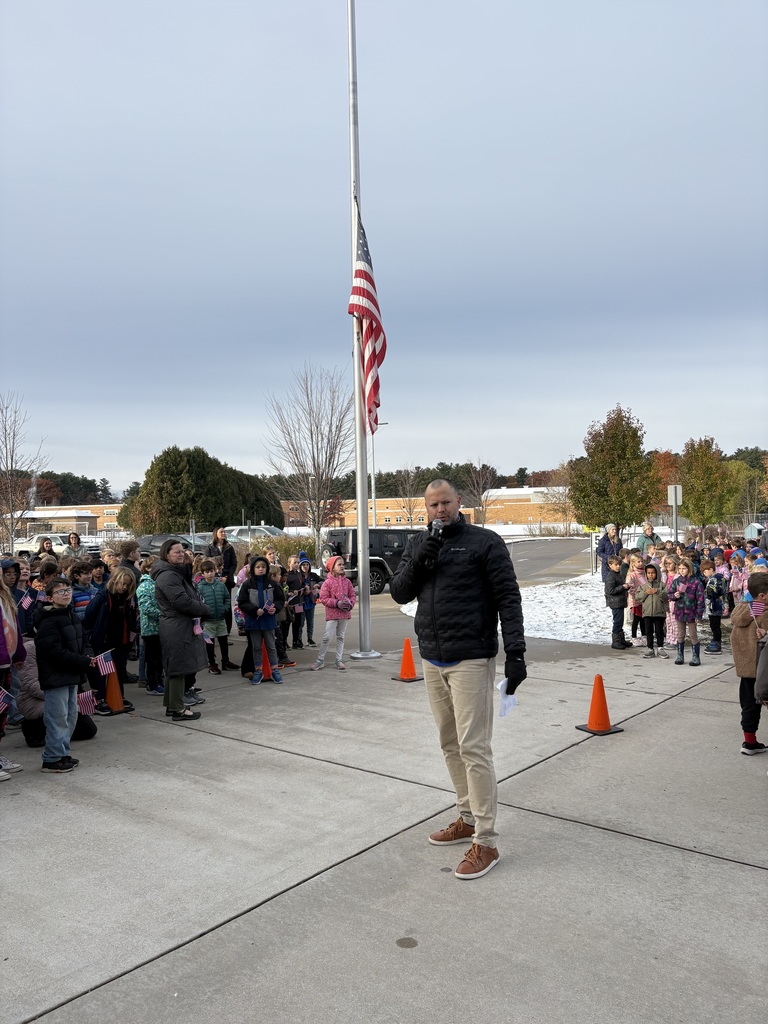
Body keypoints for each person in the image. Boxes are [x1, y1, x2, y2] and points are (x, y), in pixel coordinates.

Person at [390, 479, 526, 881]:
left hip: (470, 657)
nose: (440, 510)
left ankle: (486, 841)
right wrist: (420, 560)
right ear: (425, 508)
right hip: (431, 657)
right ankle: (466, 817)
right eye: (433, 505)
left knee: (474, 748)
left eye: (446, 502)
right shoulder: (419, 544)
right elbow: (399, 593)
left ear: (458, 502)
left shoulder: (484, 542)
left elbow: (508, 596)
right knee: (449, 743)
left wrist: (515, 652)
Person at [34, 576, 94, 773]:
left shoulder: (72, 615)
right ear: (50, 597)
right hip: (56, 677)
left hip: (72, 675)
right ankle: (52, 758)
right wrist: (81, 661)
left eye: (68, 590)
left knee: (70, 716)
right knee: (57, 718)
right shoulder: (48, 621)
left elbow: (83, 639)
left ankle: (62, 753)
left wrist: (87, 655)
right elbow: (52, 651)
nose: (66, 593)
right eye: (60, 591)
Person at [150, 540, 210, 721]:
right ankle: (177, 709)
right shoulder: (168, 576)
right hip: (176, 626)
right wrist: (203, 609)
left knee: (176, 666)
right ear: (166, 554)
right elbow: (181, 601)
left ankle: (172, 705)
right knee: (178, 667)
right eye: (176, 552)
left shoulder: (173, 573)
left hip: (178, 625)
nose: (181, 554)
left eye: (182, 551)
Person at [16, 640, 98, 748]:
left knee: (88, 730)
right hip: (34, 698)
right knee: (55, 714)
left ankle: (59, 731)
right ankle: (31, 727)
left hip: (61, 695)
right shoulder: (30, 649)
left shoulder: (64, 648)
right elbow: (31, 685)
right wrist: (60, 696)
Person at [83, 567, 139, 714]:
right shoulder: (103, 596)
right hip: (104, 639)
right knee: (101, 670)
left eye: (128, 584)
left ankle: (118, 695)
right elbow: (89, 615)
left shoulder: (129, 597)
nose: (124, 587)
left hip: (122, 639)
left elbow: (132, 616)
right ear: (115, 581)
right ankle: (99, 699)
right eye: (123, 584)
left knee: (119, 669)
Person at [729, 572, 768, 754]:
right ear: (762, 596)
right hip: (763, 669)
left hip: (746, 670)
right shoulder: (764, 612)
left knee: (748, 705)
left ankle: (749, 742)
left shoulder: (740, 610)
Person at [237, 556, 285, 684]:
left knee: (271, 646)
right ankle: (258, 671)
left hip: (269, 621)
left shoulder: (272, 584)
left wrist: (275, 608)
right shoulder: (247, 585)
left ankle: (275, 670)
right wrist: (253, 610)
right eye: (258, 567)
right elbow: (242, 602)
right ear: (253, 569)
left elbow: (280, 599)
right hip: (254, 621)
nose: (261, 569)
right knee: (256, 647)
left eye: (263, 567)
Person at [311, 556, 357, 670]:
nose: (342, 566)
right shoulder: (327, 583)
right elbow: (323, 598)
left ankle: (339, 659)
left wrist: (350, 603)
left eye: (343, 564)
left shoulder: (347, 582)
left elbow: (352, 595)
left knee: (340, 637)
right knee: (327, 637)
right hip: (332, 615)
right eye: (339, 565)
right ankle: (320, 660)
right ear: (332, 568)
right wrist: (337, 603)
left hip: (344, 615)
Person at [197, 559, 238, 673]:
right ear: (203, 574)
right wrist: (204, 612)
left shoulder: (220, 585)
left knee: (223, 641)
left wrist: (224, 609)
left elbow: (227, 598)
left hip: (220, 619)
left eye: (211, 571)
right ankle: (212, 664)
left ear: (215, 571)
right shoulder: (200, 587)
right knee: (210, 643)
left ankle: (226, 661)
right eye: (207, 572)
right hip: (208, 621)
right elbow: (198, 602)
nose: (209, 574)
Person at [136, 557, 164, 695]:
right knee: (152, 659)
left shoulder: (157, 583)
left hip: (160, 628)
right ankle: (152, 684)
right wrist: (164, 614)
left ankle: (160, 680)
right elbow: (146, 608)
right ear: (147, 568)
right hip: (150, 629)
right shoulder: (145, 586)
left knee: (159, 658)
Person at [670, 557, 705, 665]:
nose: (681, 570)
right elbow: (669, 594)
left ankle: (696, 657)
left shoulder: (696, 583)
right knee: (680, 634)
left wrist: (698, 615)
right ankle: (680, 655)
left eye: (684, 568)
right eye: (679, 568)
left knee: (693, 635)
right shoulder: (676, 581)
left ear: (689, 569)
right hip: (680, 612)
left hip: (692, 613)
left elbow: (700, 600)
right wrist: (674, 596)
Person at [206, 527, 237, 634]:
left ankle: (227, 631)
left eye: (224, 532)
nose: (224, 533)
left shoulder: (229, 547)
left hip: (227, 580)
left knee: (227, 605)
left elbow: (234, 563)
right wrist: (216, 575)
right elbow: (207, 563)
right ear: (216, 534)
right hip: (214, 579)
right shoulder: (210, 548)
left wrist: (227, 576)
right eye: (221, 532)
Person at [635, 563, 669, 658]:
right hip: (647, 613)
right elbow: (637, 597)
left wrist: (658, 591)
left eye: (653, 573)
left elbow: (666, 596)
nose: (651, 575)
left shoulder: (662, 585)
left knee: (659, 631)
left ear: (657, 573)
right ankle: (650, 648)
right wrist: (646, 593)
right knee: (648, 631)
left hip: (659, 613)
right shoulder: (643, 586)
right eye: (649, 573)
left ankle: (660, 648)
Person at [604, 555, 632, 650]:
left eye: (619, 564)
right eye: (616, 565)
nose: (618, 566)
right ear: (610, 565)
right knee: (618, 621)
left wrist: (626, 587)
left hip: (620, 601)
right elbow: (610, 590)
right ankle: (615, 641)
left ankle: (621, 639)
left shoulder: (618, 574)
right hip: (615, 602)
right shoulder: (611, 576)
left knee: (620, 621)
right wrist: (622, 587)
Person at [701, 558, 728, 655]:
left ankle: (717, 642)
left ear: (711, 569)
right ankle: (715, 639)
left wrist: (707, 593)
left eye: (705, 571)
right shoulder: (712, 579)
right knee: (713, 624)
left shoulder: (717, 579)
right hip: (712, 606)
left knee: (715, 625)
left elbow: (714, 591)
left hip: (716, 606)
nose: (704, 573)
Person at [296, 553, 321, 648]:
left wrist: (317, 585)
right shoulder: (298, 576)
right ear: (300, 566)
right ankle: (298, 639)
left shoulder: (313, 575)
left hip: (311, 602)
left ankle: (310, 638)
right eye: (303, 565)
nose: (305, 567)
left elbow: (323, 581)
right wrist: (303, 588)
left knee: (310, 622)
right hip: (300, 603)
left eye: (307, 565)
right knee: (300, 622)